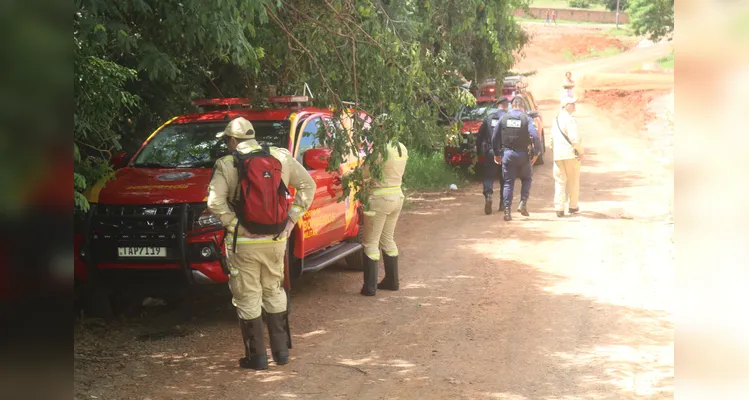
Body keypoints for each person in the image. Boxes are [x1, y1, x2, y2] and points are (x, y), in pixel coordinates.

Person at [208, 117, 316, 370]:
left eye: (227, 141)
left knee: (247, 295)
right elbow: (307, 185)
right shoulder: (280, 156)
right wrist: (290, 221)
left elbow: (214, 202)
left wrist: (235, 225)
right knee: (273, 289)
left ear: (233, 140)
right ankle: (281, 354)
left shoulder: (227, 163)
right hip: (276, 238)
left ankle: (257, 357)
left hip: (244, 242)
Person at [359, 137, 408, 296]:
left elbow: (364, 172)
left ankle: (370, 287)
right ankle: (392, 281)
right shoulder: (401, 147)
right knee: (387, 239)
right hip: (397, 196)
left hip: (379, 200)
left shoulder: (380, 150)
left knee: (370, 243)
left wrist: (346, 176)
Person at [493, 97, 542, 221]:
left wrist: (497, 153)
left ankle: (507, 212)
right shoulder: (526, 118)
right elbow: (536, 136)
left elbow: (494, 137)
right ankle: (522, 203)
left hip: (507, 155)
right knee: (527, 179)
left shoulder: (503, 118)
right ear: (522, 106)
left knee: (508, 183)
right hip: (523, 156)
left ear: (512, 105)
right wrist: (536, 152)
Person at [550, 96, 583, 217]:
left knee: (559, 181)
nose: (574, 105)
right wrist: (580, 151)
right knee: (573, 181)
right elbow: (574, 139)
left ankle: (559, 208)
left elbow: (551, 139)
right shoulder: (570, 120)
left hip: (558, 155)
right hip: (570, 155)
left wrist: (554, 150)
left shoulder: (556, 119)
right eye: (572, 103)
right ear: (565, 105)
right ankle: (573, 206)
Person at [476, 97, 510, 215]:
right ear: (507, 106)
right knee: (504, 178)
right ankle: (502, 203)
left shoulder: (489, 118)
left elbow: (479, 136)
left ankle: (489, 195)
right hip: (505, 152)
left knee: (489, 176)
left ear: (497, 105)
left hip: (491, 152)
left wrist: (478, 152)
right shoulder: (509, 119)